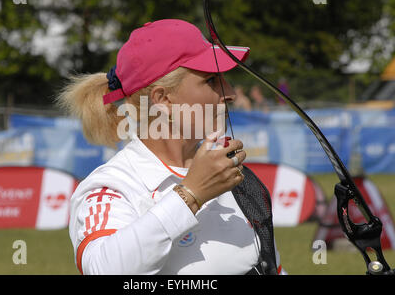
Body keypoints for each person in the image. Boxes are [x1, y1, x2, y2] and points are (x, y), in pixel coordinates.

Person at [58, 19, 284, 275]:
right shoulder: (111, 186)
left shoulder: (228, 173)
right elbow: (102, 269)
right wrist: (191, 194)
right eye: (211, 80)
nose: (230, 92)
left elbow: (271, 268)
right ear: (163, 99)